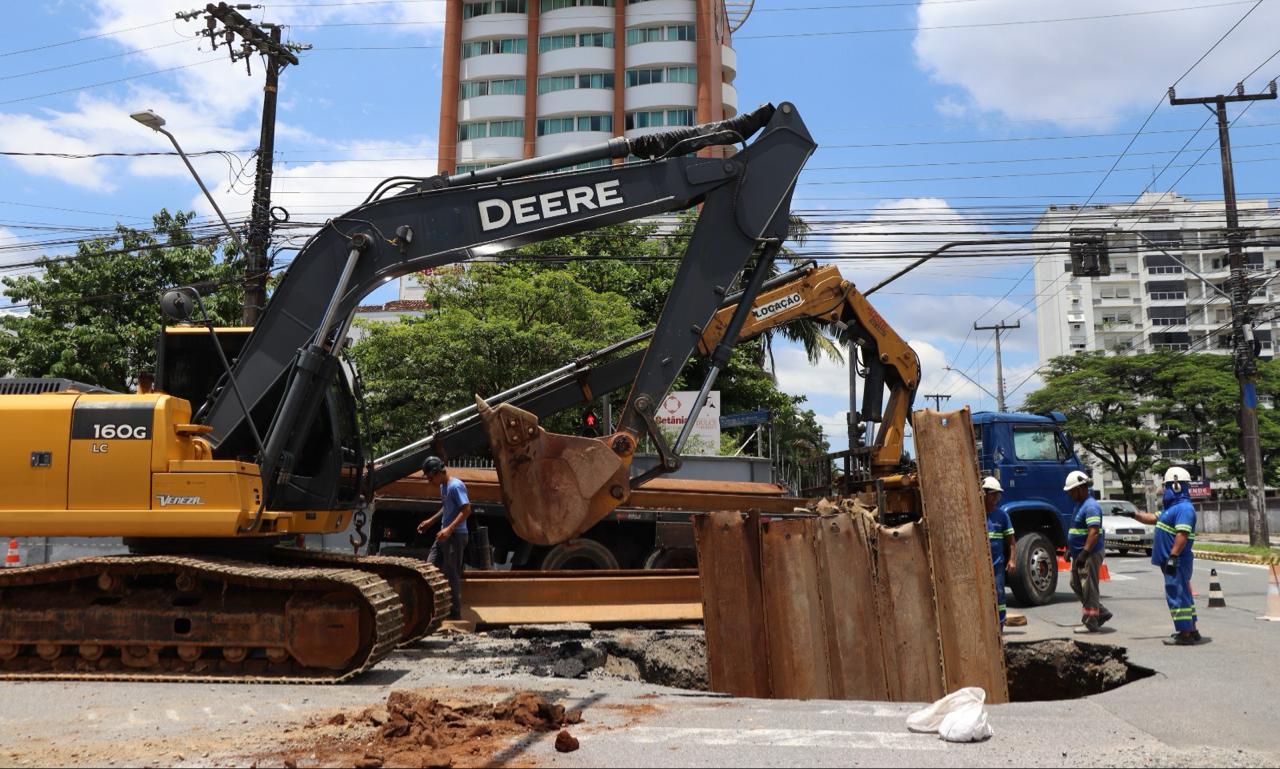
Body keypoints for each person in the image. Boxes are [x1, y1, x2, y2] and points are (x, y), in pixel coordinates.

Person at [1132, 467, 1201, 646]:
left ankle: (1184, 633)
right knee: (1183, 593)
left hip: (1176, 560)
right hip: (1173, 560)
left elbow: (1182, 534)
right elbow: (1151, 518)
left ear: (1176, 486)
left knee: (1177, 594)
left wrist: (1173, 556)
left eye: (1166, 486)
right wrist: (1133, 514)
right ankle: (1191, 629)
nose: (1163, 490)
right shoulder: (1172, 509)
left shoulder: (1184, 509)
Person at [416, 456, 472, 621]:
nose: (429, 481)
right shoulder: (443, 486)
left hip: (455, 536)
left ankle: (455, 616)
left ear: (438, 473)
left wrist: (449, 529)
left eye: (430, 477)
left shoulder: (455, 486)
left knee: (452, 574)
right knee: (429, 567)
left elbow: (466, 509)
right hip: (445, 535)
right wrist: (431, 521)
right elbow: (447, 507)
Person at [1064, 470, 1112, 631]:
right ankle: (1101, 611)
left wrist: (1084, 553)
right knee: (1075, 584)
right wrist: (1070, 550)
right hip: (1080, 554)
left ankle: (1091, 622)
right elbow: (1077, 530)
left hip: (1089, 554)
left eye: (1071, 491)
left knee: (1088, 587)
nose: (1069, 494)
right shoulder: (1079, 505)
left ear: (1080, 489)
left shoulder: (1091, 506)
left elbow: (1093, 532)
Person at [982, 476, 1016, 630]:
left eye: (998, 494)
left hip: (997, 564)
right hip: (981, 565)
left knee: (999, 594)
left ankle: (1000, 627)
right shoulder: (977, 514)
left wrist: (1012, 560)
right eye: (993, 494)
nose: (996, 498)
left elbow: (1011, 541)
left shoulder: (1002, 516)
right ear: (984, 494)